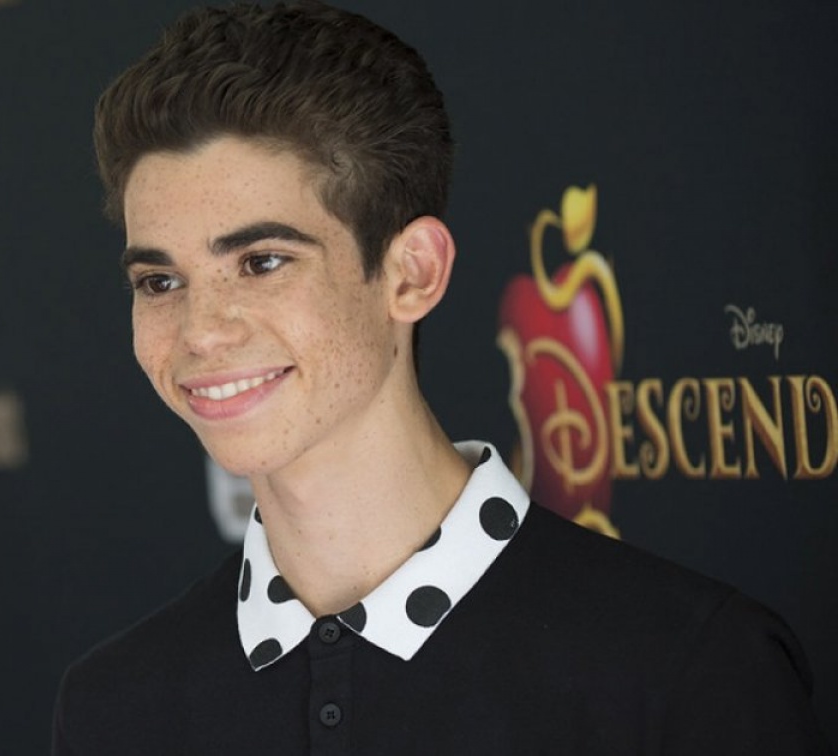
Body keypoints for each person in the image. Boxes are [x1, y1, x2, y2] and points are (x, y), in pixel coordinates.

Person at [51, 2, 831, 754]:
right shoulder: (115, 707)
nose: (201, 331)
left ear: (412, 274)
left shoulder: (687, 672)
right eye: (159, 281)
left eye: (262, 263)